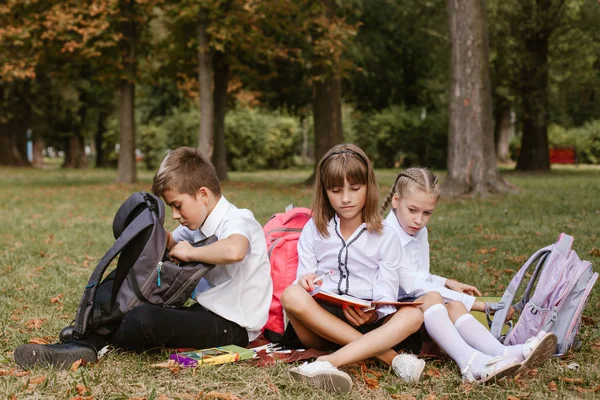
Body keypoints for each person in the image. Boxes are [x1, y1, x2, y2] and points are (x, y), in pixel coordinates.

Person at [14, 147, 273, 369]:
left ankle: (93, 343)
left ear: (203, 194)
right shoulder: (197, 223)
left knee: (144, 320)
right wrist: (145, 225)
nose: (174, 214)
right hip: (205, 313)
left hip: (234, 328)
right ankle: (85, 341)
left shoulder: (238, 219)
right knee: (129, 295)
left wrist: (190, 252)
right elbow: (168, 240)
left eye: (177, 205)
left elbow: (234, 250)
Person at [381, 167, 557, 383]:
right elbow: (414, 286)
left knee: (455, 306)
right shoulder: (386, 235)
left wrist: (448, 282)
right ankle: (469, 362)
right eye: (413, 210)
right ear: (396, 201)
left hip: (413, 305)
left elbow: (420, 276)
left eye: (427, 213)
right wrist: (481, 305)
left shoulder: (418, 231)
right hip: (388, 318)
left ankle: (501, 353)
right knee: (435, 298)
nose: (419, 220)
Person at [281, 144, 426, 394]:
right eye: (335, 190)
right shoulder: (314, 230)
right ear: (325, 192)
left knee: (414, 315)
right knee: (291, 295)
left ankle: (326, 362)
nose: (346, 198)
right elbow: (303, 279)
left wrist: (375, 314)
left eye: (355, 189)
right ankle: (390, 358)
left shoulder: (386, 236)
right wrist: (306, 281)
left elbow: (387, 292)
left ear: (368, 187)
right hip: (322, 323)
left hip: (370, 322)